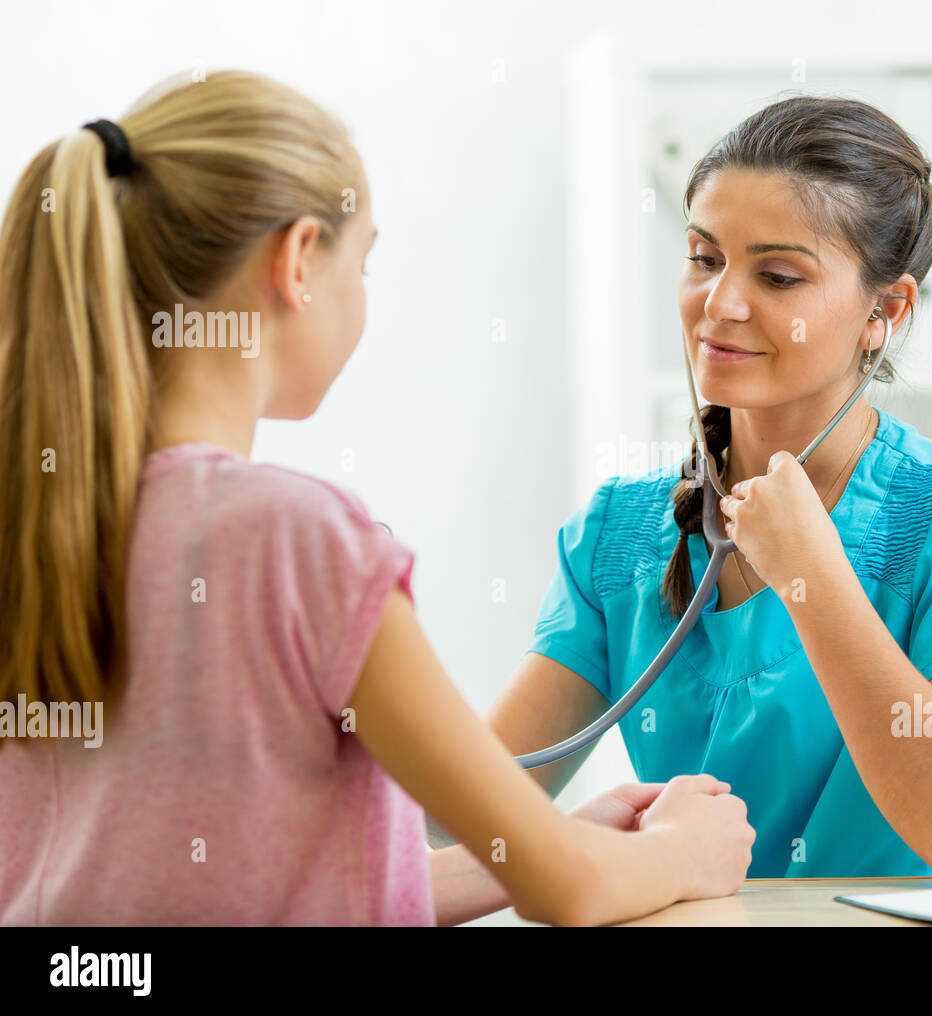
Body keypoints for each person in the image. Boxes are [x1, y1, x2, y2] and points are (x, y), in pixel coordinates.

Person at [0, 69, 754, 927]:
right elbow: (571, 892)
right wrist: (678, 853)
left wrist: (540, 849)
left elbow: (255, 893)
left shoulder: (31, 520)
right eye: (362, 262)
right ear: (295, 261)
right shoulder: (294, 538)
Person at [488, 95, 932, 884]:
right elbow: (464, 810)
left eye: (777, 275)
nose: (721, 304)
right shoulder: (618, 533)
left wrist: (812, 577)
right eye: (705, 259)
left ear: (885, 311)